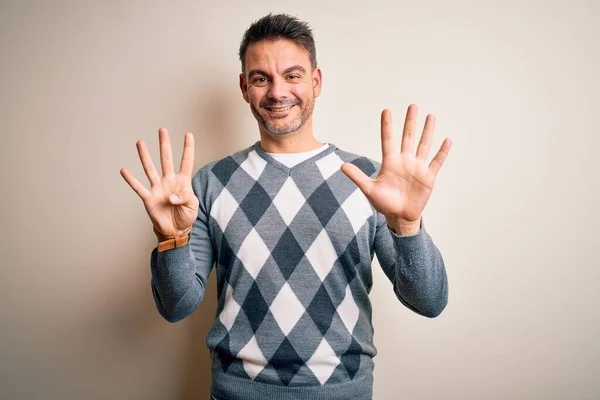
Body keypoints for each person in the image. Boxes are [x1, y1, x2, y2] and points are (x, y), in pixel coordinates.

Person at [120, 13, 452, 400]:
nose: (278, 92)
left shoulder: (371, 182)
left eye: (293, 76)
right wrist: (170, 238)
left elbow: (429, 301)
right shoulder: (209, 183)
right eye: (261, 78)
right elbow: (176, 306)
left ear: (316, 81)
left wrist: (408, 226)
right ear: (245, 88)